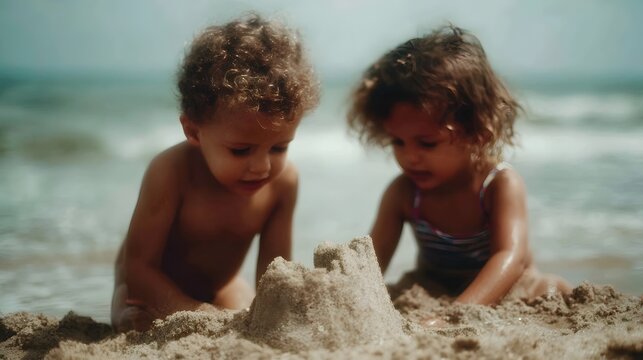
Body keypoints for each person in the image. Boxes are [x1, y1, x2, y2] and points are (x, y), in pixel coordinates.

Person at [111, 14, 319, 332]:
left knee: (260, 320)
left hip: (220, 287)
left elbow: (275, 275)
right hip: (147, 287)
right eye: (240, 150)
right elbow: (138, 268)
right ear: (193, 132)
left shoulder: (283, 183)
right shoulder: (171, 172)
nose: (263, 166)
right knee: (133, 322)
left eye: (279, 148)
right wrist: (191, 312)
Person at [347, 25, 570, 307]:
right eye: (398, 142)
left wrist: (457, 312)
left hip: (506, 285)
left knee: (546, 290)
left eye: (427, 143)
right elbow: (371, 261)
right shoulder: (405, 193)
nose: (409, 156)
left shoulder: (498, 185)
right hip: (433, 285)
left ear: (477, 132)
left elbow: (510, 258)